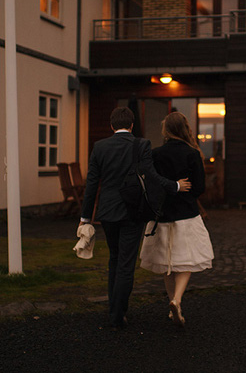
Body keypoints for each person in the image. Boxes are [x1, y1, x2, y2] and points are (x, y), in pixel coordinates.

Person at [80, 107, 191, 330]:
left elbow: (92, 184)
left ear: (112, 126)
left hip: (108, 212)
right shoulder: (141, 144)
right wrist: (175, 186)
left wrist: (85, 218)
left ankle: (115, 310)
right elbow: (151, 175)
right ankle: (117, 315)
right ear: (132, 125)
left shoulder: (99, 147)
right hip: (133, 211)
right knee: (126, 265)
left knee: (114, 259)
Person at [139, 112, 214, 327]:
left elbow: (151, 182)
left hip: (161, 214)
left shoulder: (156, 154)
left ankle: (173, 308)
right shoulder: (192, 153)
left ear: (166, 130)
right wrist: (184, 192)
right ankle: (177, 300)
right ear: (185, 128)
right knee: (186, 260)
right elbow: (199, 188)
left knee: (167, 263)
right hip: (186, 214)